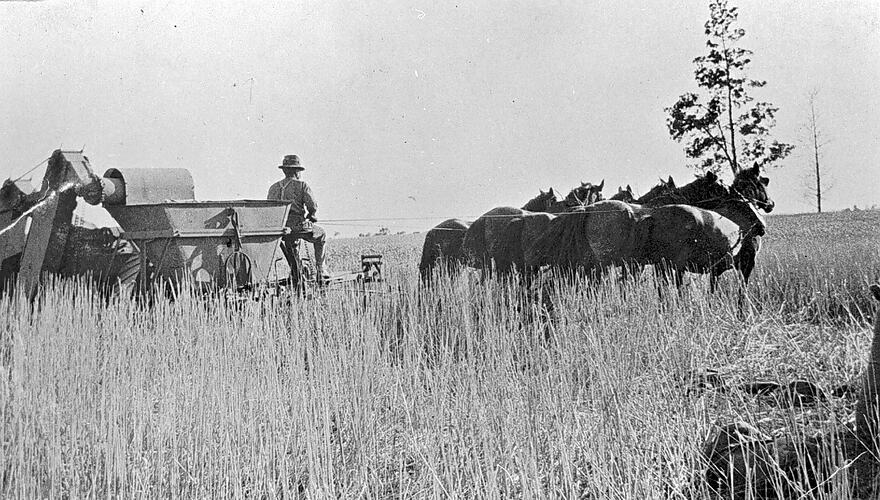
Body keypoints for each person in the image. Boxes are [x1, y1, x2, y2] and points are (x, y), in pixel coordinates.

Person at [267, 154, 328, 281]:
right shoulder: (302, 185)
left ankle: (296, 271)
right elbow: (312, 206)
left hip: (280, 228)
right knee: (321, 235)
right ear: (296, 171)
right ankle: (321, 270)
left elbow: (269, 209)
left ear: (284, 170)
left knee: (290, 242)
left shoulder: (273, 188)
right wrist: (311, 215)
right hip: (297, 226)